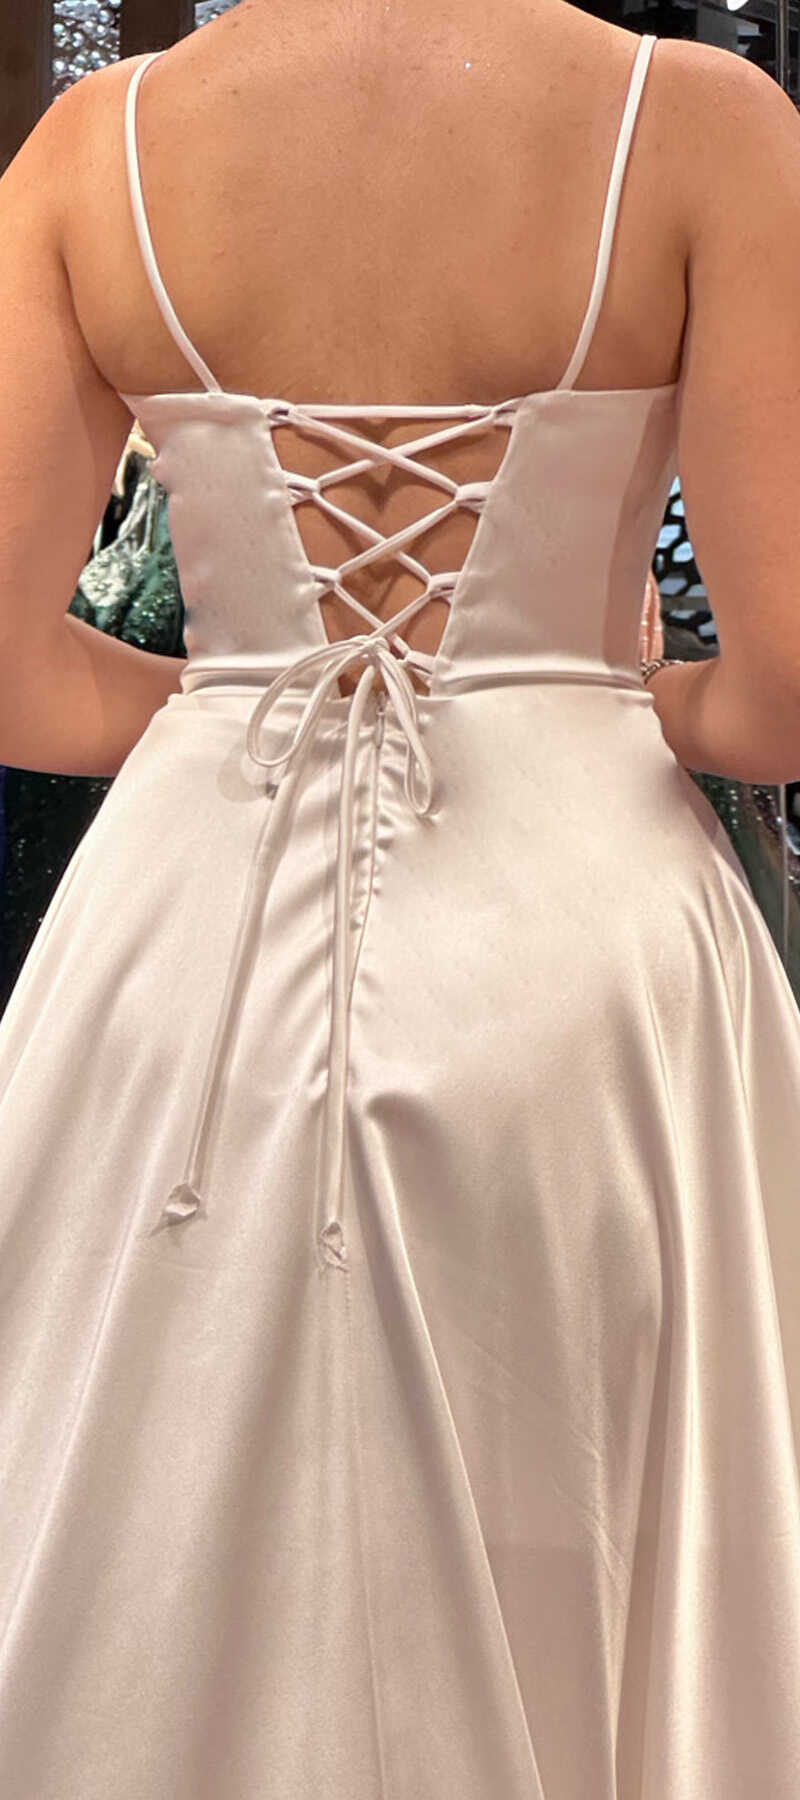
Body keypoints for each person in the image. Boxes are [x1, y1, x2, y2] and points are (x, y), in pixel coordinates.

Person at [0, 4, 799, 1795]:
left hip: (181, 930)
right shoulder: (700, 125)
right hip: (581, 937)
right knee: (587, 1512)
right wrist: (631, 697)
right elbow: (788, 691)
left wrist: (226, 712)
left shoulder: (95, 150)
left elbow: (7, 668)